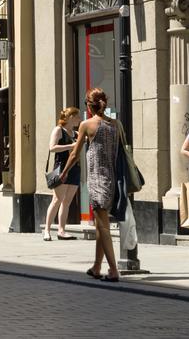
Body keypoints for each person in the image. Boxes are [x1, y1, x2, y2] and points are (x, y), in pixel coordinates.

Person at [59, 88, 119, 282]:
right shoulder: (115, 124)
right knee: (102, 225)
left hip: (96, 179)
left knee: (104, 227)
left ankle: (113, 270)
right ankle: (96, 266)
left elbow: (75, 154)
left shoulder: (87, 124)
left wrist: (64, 171)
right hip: (112, 179)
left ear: (88, 106)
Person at [43, 107, 81, 241]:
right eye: (77, 117)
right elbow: (52, 147)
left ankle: (61, 230)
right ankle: (47, 230)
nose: (79, 119)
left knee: (67, 202)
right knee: (57, 200)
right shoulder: (58, 130)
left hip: (74, 169)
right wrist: (71, 146)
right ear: (70, 117)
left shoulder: (75, 133)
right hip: (61, 169)